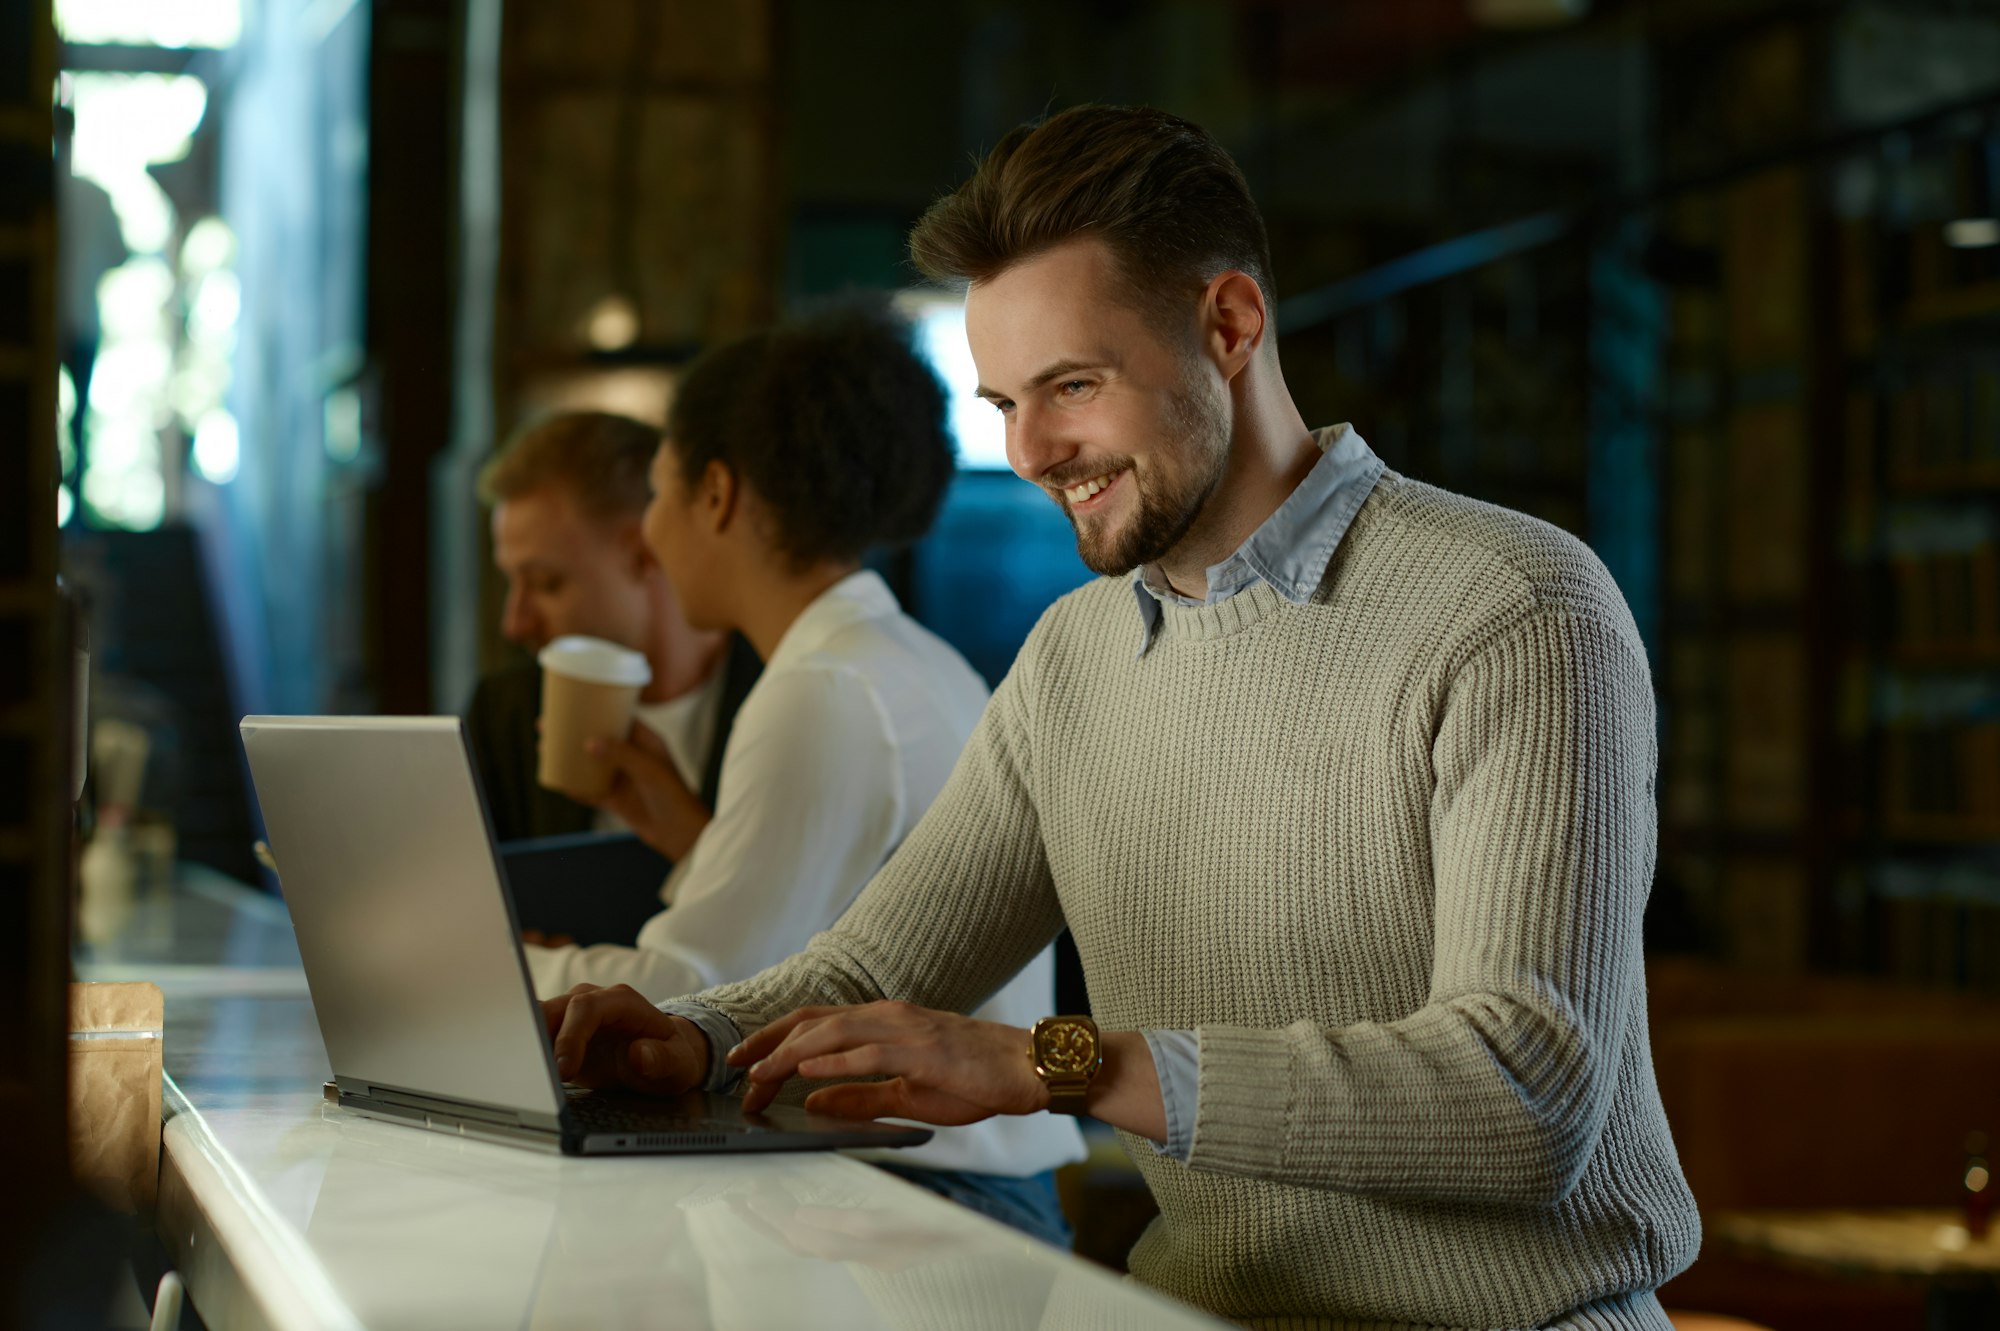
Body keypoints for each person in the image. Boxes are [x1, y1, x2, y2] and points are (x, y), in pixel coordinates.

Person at [543, 105, 1701, 1329]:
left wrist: (1058, 1061)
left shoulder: (1511, 605)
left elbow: (1523, 1094)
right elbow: (877, 967)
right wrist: (695, 1040)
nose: (1033, 449)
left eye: (1072, 386)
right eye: (1001, 402)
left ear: (1230, 323)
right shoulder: (1072, 656)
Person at [527, 304, 1085, 1245]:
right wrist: (693, 840)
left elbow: (689, 987)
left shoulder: (824, 691)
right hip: (963, 1192)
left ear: (716, 493)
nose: (651, 539)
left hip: (928, 1204)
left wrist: (485, 962)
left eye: (659, 495)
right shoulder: (901, 657)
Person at [467, 411, 761, 843]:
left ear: (644, 554)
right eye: (511, 582)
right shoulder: (506, 715)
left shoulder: (777, 698)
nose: (515, 624)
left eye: (547, 584)